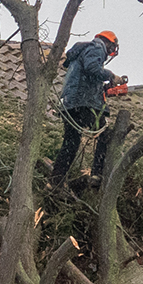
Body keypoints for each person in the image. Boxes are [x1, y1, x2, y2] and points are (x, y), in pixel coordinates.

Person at [54, 30, 124, 186]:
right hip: (84, 103)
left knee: (71, 142)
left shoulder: (81, 52)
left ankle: (55, 180)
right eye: (112, 47)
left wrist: (103, 89)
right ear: (108, 42)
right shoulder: (97, 47)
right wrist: (111, 76)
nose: (111, 51)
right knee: (104, 135)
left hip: (70, 103)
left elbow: (86, 76)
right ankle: (97, 175)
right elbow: (92, 67)